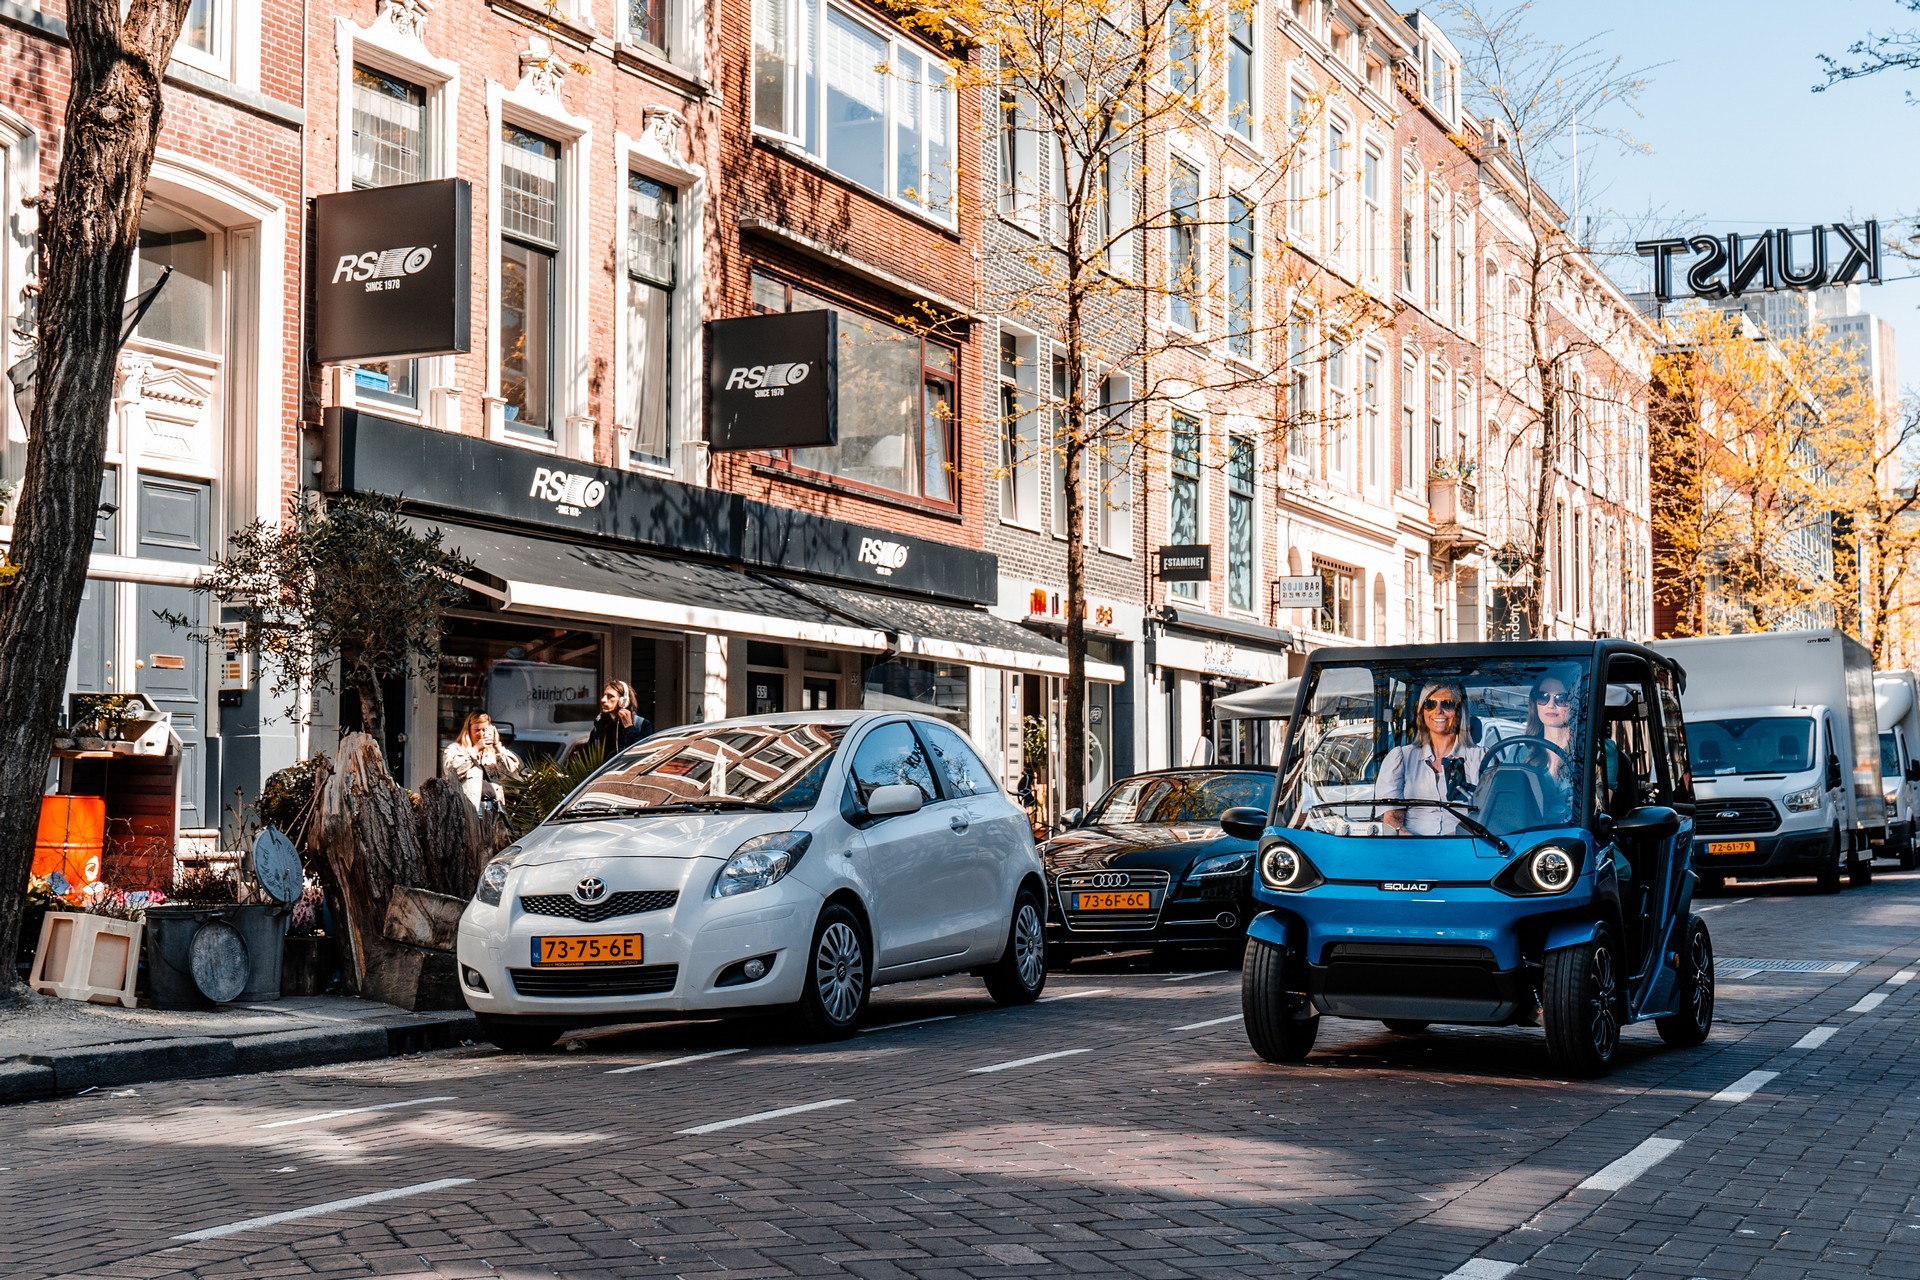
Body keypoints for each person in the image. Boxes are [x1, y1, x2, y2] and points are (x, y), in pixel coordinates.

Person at [1374, 680, 1485, 835]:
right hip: (1411, 847)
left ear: (1460, 711)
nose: (1438, 711)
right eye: (1430, 704)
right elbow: (1391, 815)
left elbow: (1489, 813)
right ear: (1422, 711)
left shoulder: (1481, 759)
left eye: (1447, 704)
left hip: (1465, 845)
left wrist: (1452, 840)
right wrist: (1409, 839)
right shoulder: (1401, 758)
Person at [443, 711, 522, 815]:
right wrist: (475, 750)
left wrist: (497, 745)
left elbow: (513, 772)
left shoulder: (493, 752)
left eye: (484, 730)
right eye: (477, 730)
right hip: (468, 811)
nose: (481, 734)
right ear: (468, 730)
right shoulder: (456, 750)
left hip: (494, 811)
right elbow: (452, 771)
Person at [589, 680, 650, 760]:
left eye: (610, 696)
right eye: (604, 695)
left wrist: (629, 727)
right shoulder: (599, 725)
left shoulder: (641, 724)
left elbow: (643, 753)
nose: (603, 700)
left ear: (623, 701)